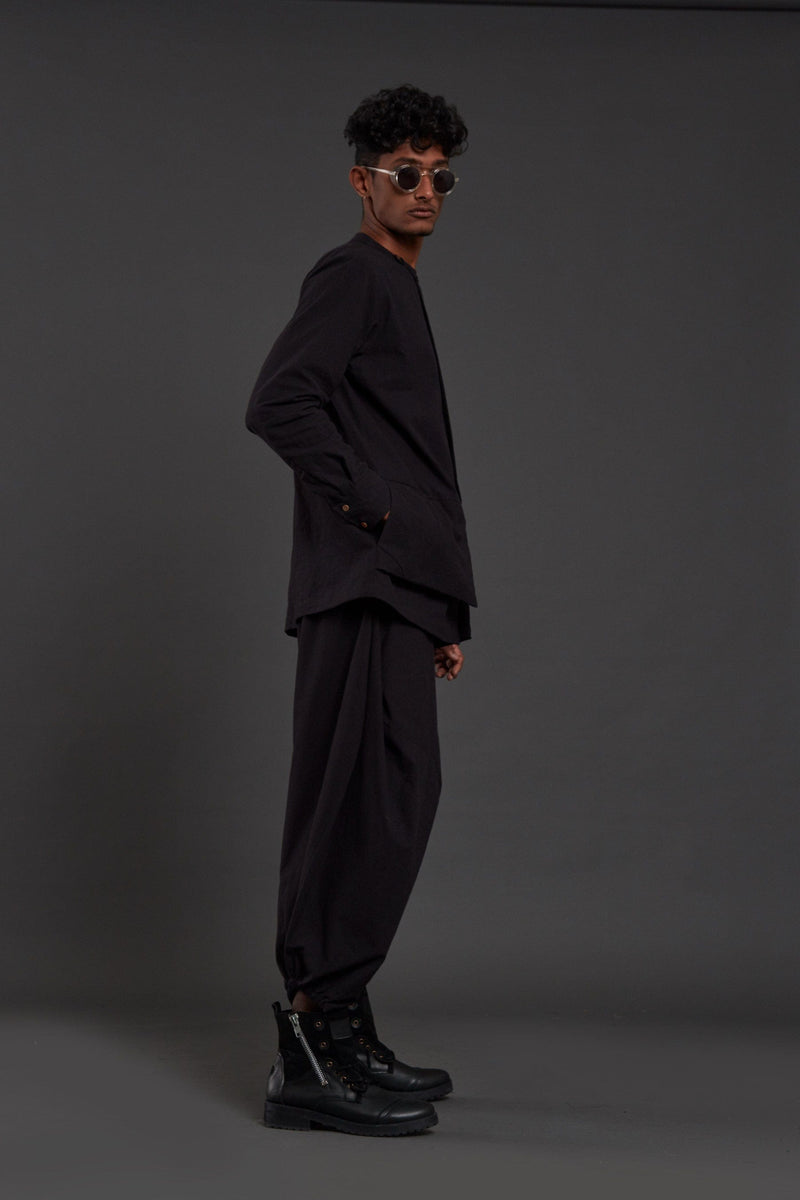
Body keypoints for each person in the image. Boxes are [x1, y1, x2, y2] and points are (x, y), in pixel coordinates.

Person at [245, 84, 477, 1136]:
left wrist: (439, 603)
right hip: (360, 581)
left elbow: (414, 453)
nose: (425, 191)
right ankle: (306, 1053)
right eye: (404, 173)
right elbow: (279, 402)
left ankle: (340, 1025)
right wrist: (375, 515)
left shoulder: (396, 284)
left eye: (439, 176)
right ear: (361, 181)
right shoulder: (352, 274)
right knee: (359, 805)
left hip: (393, 588)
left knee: (389, 798)